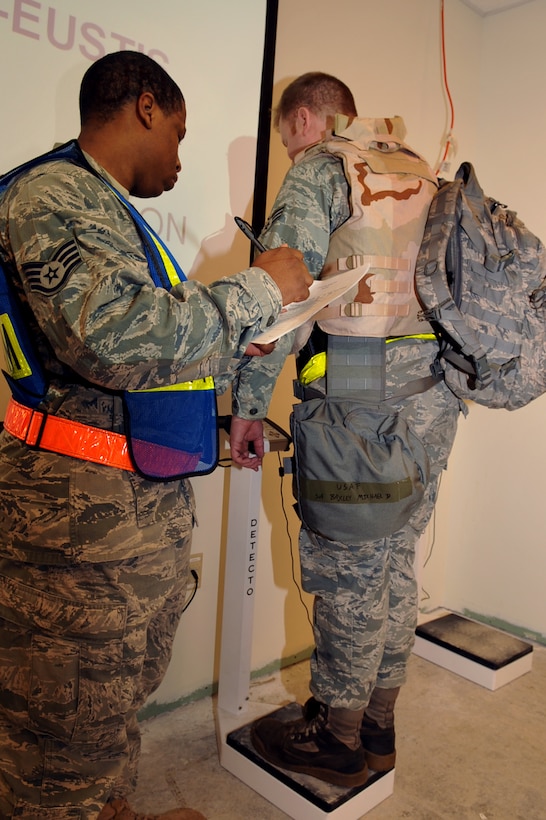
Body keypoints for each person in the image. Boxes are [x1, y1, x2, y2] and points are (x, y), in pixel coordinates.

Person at [0, 51, 312, 820]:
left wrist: (244, 337)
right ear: (145, 106)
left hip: (123, 527)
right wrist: (260, 285)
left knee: (107, 719)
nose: (179, 159)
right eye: (177, 134)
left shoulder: (108, 210)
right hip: (75, 542)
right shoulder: (51, 194)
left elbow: (149, 359)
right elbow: (112, 338)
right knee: (59, 757)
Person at [230, 72, 463, 787]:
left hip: (357, 392)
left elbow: (281, 295)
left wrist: (246, 404)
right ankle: (379, 725)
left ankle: (337, 738)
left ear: (305, 119)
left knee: (352, 576)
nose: (288, 150)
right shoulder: (419, 169)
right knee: (394, 566)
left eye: (285, 136)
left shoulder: (320, 172)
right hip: (432, 395)